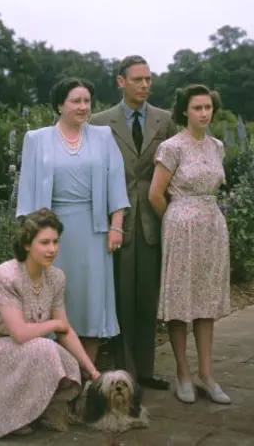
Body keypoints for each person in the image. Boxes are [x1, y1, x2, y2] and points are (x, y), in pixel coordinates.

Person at [0, 208, 101, 442]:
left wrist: (92, 371)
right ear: (26, 244)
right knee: (45, 350)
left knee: (64, 359)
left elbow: (64, 330)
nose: (52, 249)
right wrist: (54, 323)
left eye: (55, 242)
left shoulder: (55, 278)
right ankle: (12, 416)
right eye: (44, 242)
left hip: (20, 348)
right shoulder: (6, 275)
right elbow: (21, 333)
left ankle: (32, 412)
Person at [15, 77, 130, 374]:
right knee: (53, 300)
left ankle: (84, 376)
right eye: (75, 101)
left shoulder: (103, 136)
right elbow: (27, 189)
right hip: (51, 234)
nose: (82, 107)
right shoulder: (37, 139)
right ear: (59, 105)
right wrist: (34, 238)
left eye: (86, 101)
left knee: (89, 303)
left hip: (93, 232)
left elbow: (116, 181)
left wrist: (116, 226)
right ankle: (55, 376)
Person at [89, 55, 176, 391]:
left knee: (147, 296)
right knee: (121, 296)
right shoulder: (99, 122)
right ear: (120, 81)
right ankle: (125, 371)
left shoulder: (164, 121)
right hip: (116, 219)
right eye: (137, 79)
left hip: (153, 219)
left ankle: (146, 369)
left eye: (148, 79)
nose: (144, 85)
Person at [148, 84, 231, 405]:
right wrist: (176, 218)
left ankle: (207, 375)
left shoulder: (217, 146)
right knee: (181, 303)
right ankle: (183, 372)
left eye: (208, 107)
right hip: (181, 229)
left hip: (212, 226)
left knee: (206, 302)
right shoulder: (172, 147)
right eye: (197, 108)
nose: (204, 113)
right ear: (185, 110)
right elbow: (155, 193)